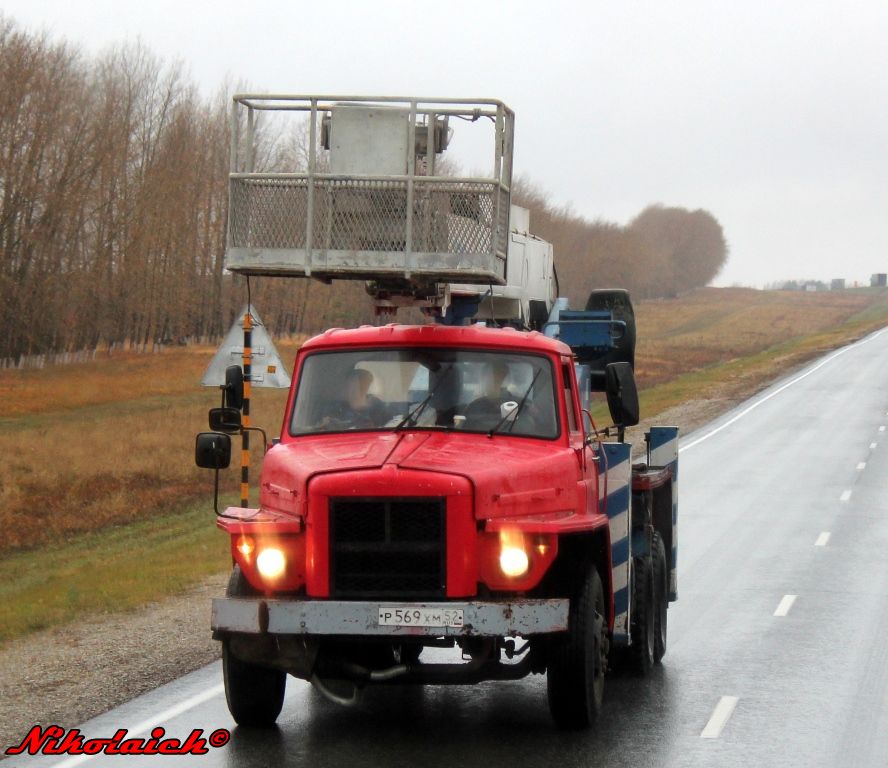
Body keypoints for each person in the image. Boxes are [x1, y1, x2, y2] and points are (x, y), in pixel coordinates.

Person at [318, 368, 387, 429]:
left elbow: (388, 427)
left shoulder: (378, 406)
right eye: (355, 384)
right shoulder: (334, 408)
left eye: (365, 384)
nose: (360, 388)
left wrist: (373, 427)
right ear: (347, 385)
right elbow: (322, 427)